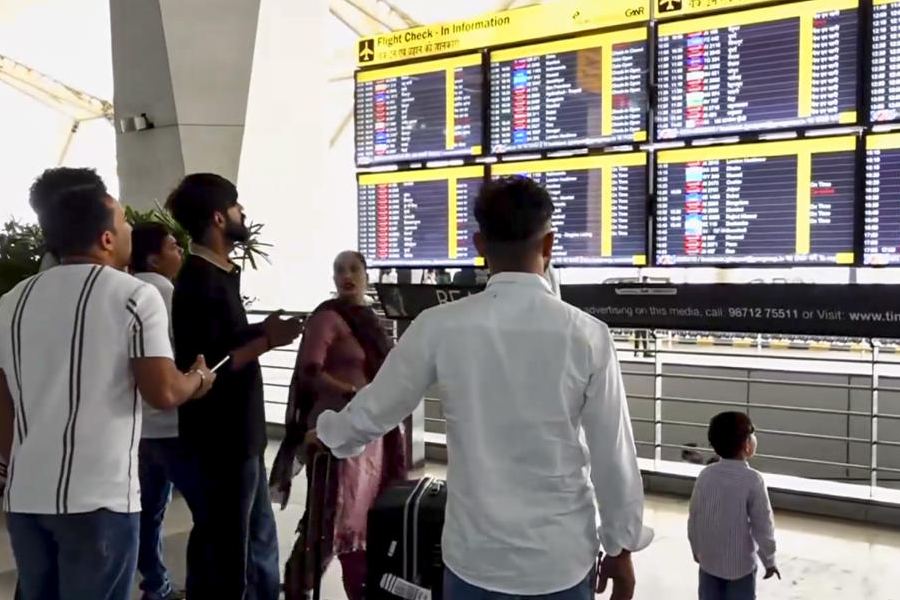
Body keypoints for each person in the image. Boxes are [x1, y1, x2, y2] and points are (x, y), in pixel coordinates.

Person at [309, 176, 653, 600]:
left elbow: (375, 410)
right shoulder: (589, 335)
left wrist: (328, 432)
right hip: (561, 560)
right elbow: (613, 457)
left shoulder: (438, 327)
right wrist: (620, 547)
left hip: (473, 560)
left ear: (479, 245)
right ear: (548, 246)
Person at [0, 170, 215, 600]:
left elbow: (3, 404)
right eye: (123, 222)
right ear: (106, 239)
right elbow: (164, 392)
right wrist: (199, 379)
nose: (130, 227)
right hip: (100, 501)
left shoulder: (10, 302)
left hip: (25, 498)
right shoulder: (134, 296)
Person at [167, 173, 303, 600]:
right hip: (219, 438)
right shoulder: (198, 280)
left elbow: (225, 340)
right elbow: (210, 364)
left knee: (256, 535)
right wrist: (268, 340)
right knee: (226, 543)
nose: (243, 212)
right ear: (218, 217)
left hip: (240, 434)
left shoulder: (219, 273)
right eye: (236, 205)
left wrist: (262, 328)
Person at [273, 250, 407, 600]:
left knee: (365, 519)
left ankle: (360, 591)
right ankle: (298, 586)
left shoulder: (372, 320)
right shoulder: (328, 318)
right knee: (330, 518)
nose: (346, 275)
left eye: (353, 269)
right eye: (339, 270)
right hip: (333, 431)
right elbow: (309, 371)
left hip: (371, 433)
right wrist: (351, 392)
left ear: (365, 274)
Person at [131, 223, 203, 600]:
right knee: (208, 512)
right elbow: (183, 353)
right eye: (174, 246)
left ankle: (155, 586)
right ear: (154, 257)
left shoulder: (125, 290)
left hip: (140, 427)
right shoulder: (162, 292)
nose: (180, 253)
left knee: (147, 515)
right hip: (173, 424)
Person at [688, 412, 780, 600]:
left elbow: (695, 516)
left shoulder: (706, 475)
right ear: (747, 445)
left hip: (709, 563)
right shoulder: (753, 480)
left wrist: (696, 548)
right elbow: (763, 525)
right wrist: (769, 560)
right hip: (741, 567)